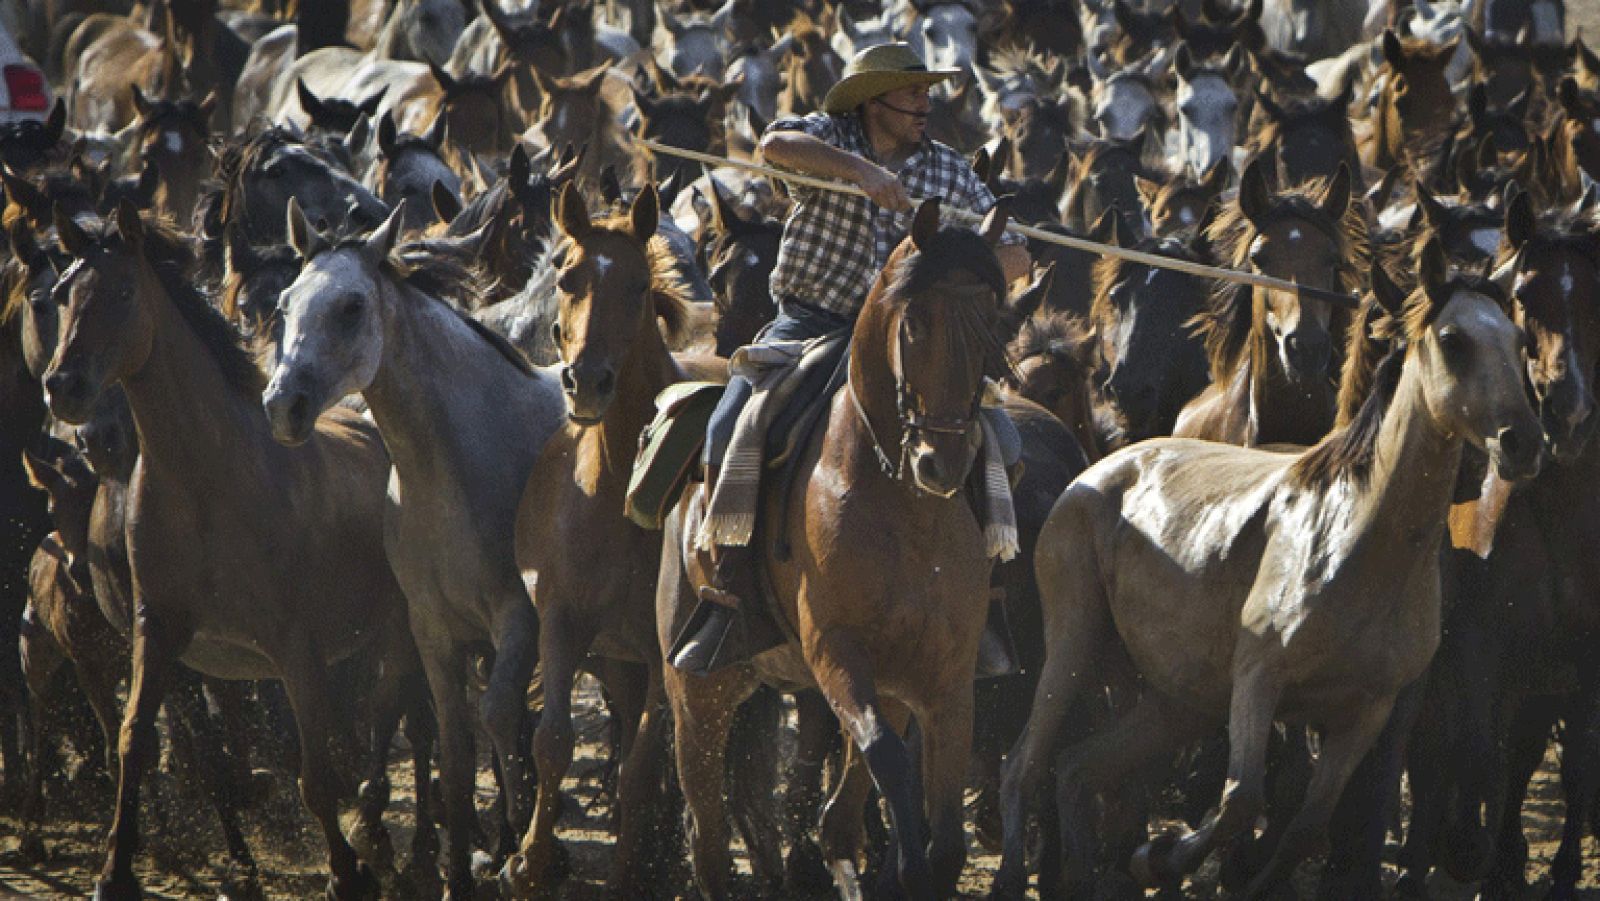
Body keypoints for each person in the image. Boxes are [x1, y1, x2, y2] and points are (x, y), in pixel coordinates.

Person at [669, 42, 1031, 675]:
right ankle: (731, 592)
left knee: (1000, 439)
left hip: (905, 340)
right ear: (874, 101)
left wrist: (954, 268)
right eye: (912, 94)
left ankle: (985, 599)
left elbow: (1019, 256)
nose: (925, 105)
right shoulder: (826, 137)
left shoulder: (947, 171)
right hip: (811, 322)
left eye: (926, 93)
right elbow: (772, 146)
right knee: (732, 422)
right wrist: (860, 173)